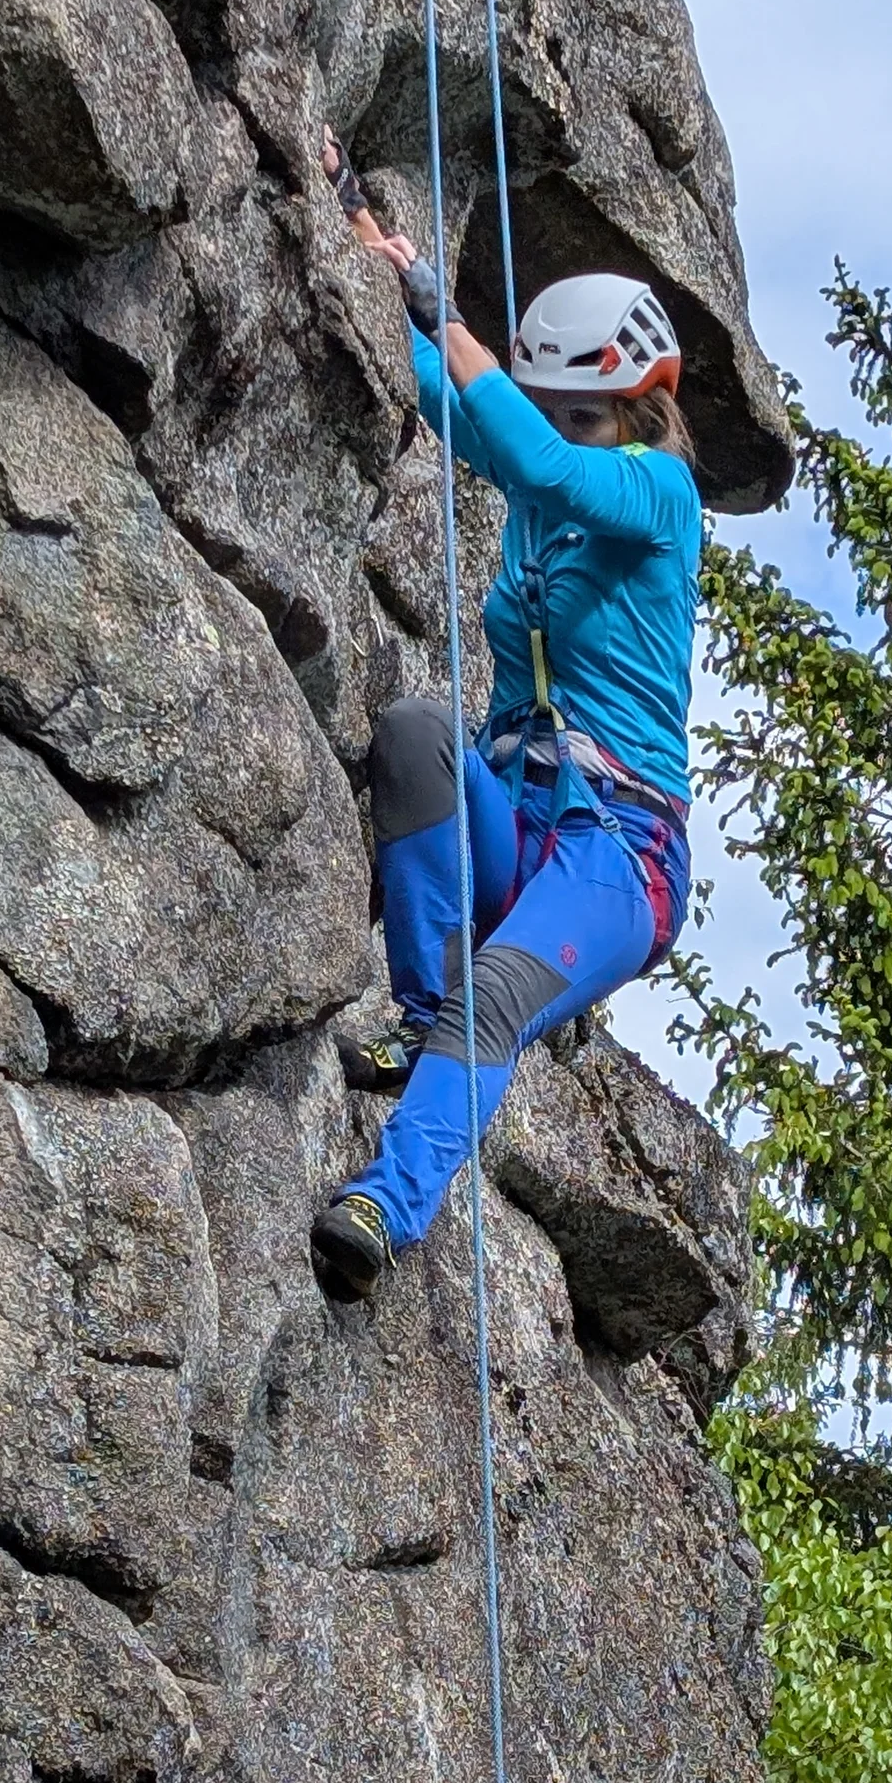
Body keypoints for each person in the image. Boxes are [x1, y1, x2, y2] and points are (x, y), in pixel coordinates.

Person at [310, 130, 700, 1302]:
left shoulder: (656, 492)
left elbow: (535, 462)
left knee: (500, 999)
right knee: (418, 733)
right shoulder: (549, 483)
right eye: (558, 413)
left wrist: (456, 318)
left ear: (629, 408)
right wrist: (359, 238)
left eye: (580, 412)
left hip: (616, 850)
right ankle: (420, 1016)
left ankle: (387, 1199)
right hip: (517, 809)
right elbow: (443, 394)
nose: (563, 428)